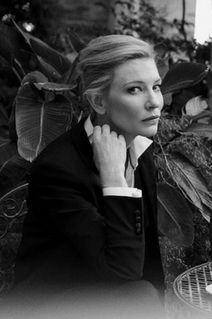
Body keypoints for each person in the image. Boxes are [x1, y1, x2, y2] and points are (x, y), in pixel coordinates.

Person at [13, 34, 165, 318]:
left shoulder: (140, 151)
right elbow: (124, 269)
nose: (154, 102)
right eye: (135, 90)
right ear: (98, 101)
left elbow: (147, 257)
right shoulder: (58, 169)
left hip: (115, 296)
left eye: (156, 87)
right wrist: (113, 180)